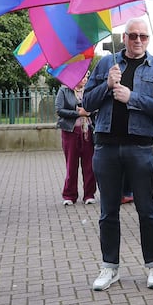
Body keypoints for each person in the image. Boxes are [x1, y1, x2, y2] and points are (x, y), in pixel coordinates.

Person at [83, 18, 153, 292]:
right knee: (107, 211)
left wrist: (132, 97)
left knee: (147, 210)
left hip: (140, 147)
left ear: (149, 39)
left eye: (143, 37)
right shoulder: (105, 64)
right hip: (106, 146)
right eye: (133, 35)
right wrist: (107, 86)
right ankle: (110, 267)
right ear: (124, 37)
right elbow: (87, 102)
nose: (138, 41)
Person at [55, 70, 96, 205]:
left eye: (86, 76)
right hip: (70, 132)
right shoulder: (64, 90)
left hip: (87, 131)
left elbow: (96, 107)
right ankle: (69, 195)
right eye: (82, 76)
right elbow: (59, 110)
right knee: (71, 164)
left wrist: (89, 111)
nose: (85, 79)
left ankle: (89, 194)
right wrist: (78, 113)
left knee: (89, 164)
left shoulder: (89, 90)